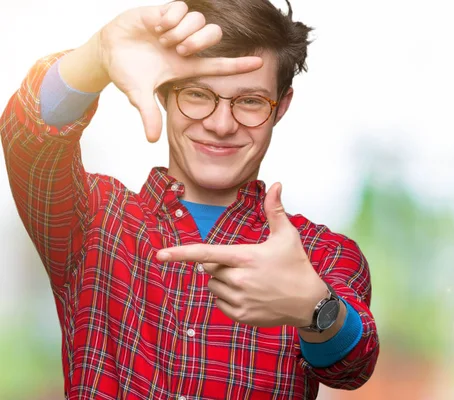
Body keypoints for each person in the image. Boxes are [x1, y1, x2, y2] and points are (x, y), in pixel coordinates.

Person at [1, 0, 379, 399]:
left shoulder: (320, 255)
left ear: (280, 107)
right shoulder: (93, 218)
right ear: (162, 90)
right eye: (198, 94)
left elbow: (353, 367)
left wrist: (315, 308)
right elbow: (30, 139)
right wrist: (96, 56)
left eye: (250, 101)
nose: (221, 124)